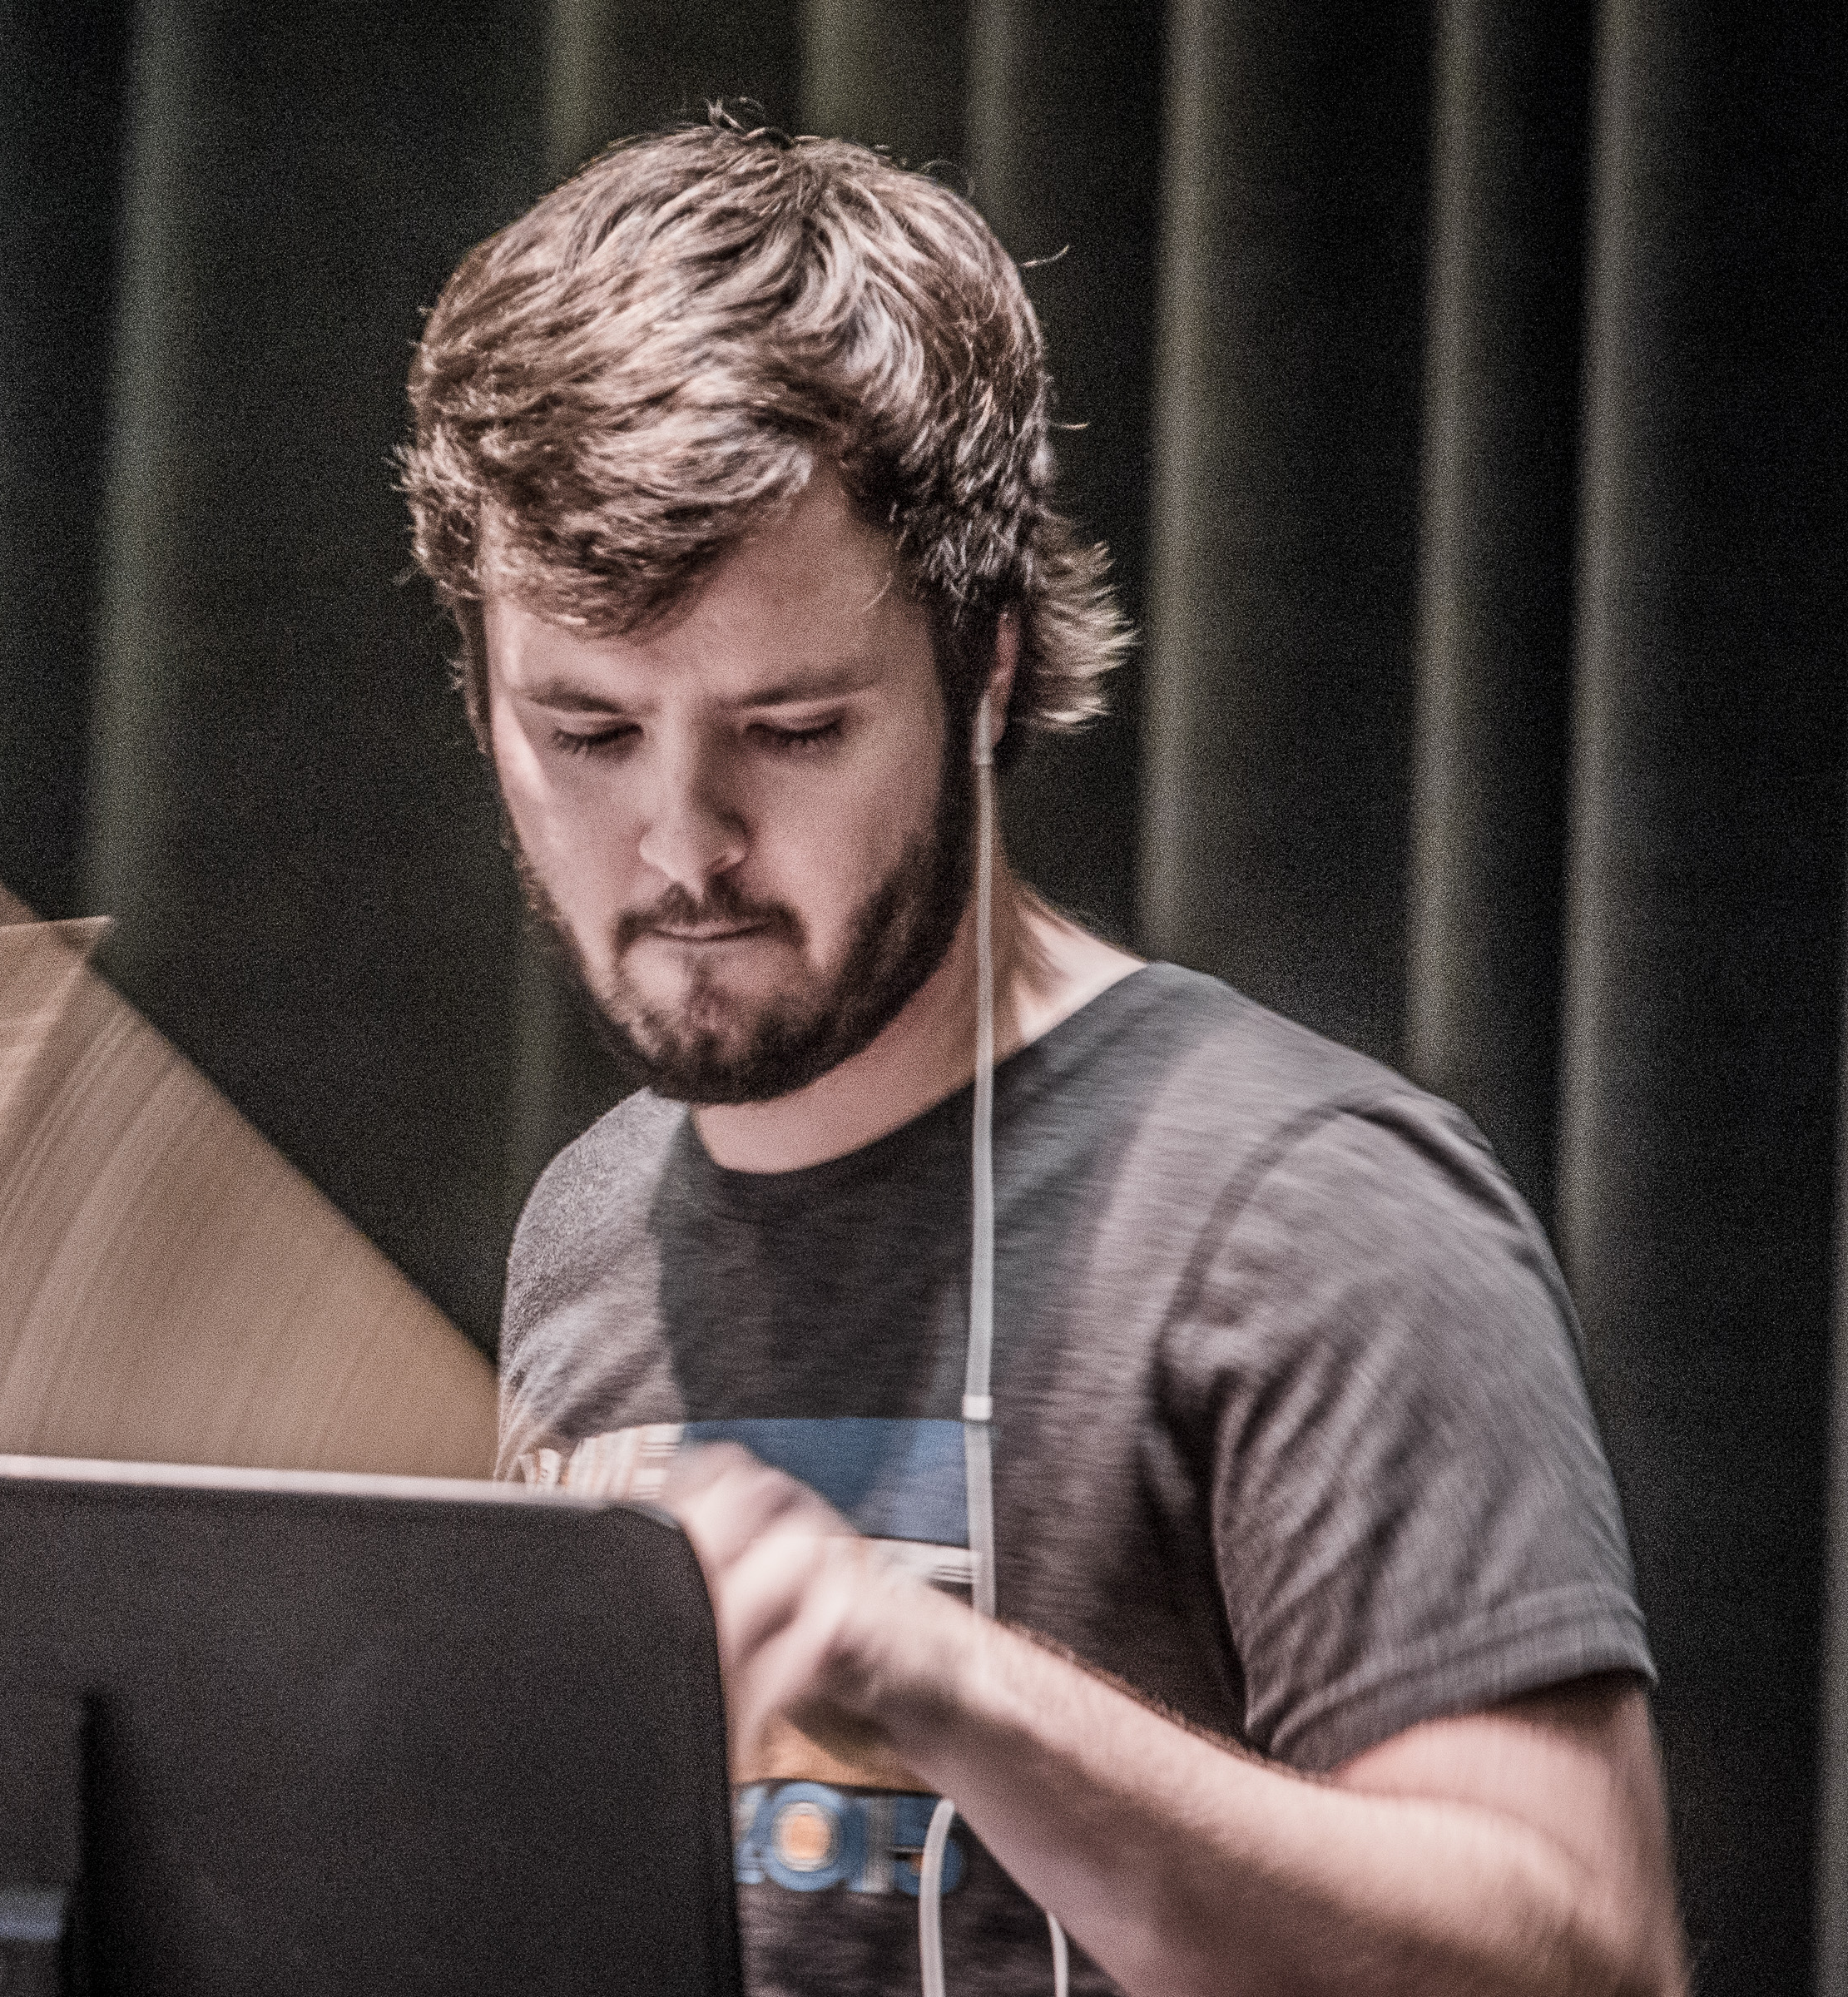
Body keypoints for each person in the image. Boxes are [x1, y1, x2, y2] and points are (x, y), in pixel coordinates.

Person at [399, 116, 1685, 1996]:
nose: (682, 845)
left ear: (984, 664)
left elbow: (1584, 1957)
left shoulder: (1313, 1214)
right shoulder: (587, 1231)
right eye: (588, 734)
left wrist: (937, 1676)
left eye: (793, 729)